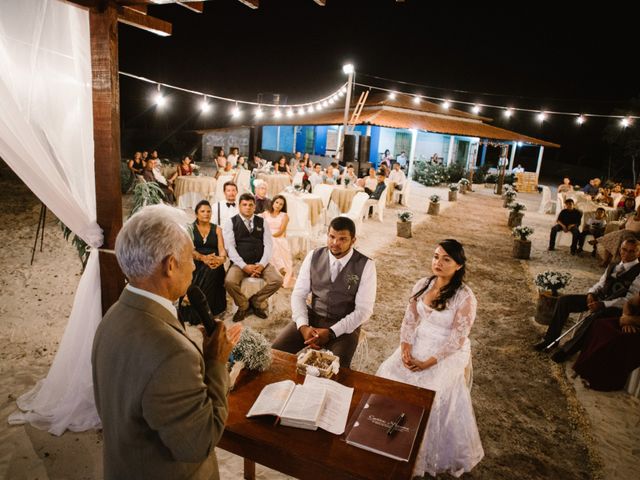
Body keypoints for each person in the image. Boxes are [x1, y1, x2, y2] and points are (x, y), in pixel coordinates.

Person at [92, 204, 241, 479]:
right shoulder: (172, 354)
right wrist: (216, 362)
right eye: (189, 257)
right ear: (170, 265)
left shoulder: (111, 317)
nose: (194, 265)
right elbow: (199, 443)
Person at [376, 239, 483, 478]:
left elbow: (458, 338)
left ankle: (415, 452)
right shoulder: (423, 284)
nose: (439, 263)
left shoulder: (465, 297)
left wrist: (428, 362)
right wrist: (405, 347)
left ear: (458, 266)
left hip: (447, 352)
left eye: (446, 259)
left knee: (427, 391)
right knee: (389, 372)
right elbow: (410, 320)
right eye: (436, 257)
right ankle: (387, 434)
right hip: (420, 340)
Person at [272, 216, 376, 368]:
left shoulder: (366, 265)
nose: (335, 243)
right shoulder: (313, 256)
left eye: (342, 239)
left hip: (344, 325)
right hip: (312, 316)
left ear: (353, 241)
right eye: (332, 237)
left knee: (337, 370)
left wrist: (332, 332)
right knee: (274, 354)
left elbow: (364, 310)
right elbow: (299, 294)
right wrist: (303, 326)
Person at [534, 238, 640, 353]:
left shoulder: (638, 272)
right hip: (599, 299)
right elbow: (601, 283)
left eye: (632, 251)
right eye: (624, 249)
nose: (627, 253)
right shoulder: (614, 264)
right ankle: (550, 340)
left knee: (594, 317)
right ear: (620, 249)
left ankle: (566, 350)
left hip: (616, 308)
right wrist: (591, 293)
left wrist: (603, 304)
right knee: (564, 301)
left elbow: (629, 300)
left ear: (638, 252)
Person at [223, 193, 283, 322]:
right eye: (244, 205)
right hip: (240, 263)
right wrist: (244, 266)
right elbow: (230, 248)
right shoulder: (230, 222)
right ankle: (244, 305)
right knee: (229, 281)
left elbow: (268, 245)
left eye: (251, 205)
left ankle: (256, 300)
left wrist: (261, 265)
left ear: (255, 206)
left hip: (261, 261)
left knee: (277, 280)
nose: (248, 207)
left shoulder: (262, 222)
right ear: (239, 206)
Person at [572, 293, 640, 391]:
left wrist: (630, 320)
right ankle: (585, 368)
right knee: (600, 325)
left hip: (635, 324)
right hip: (630, 321)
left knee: (617, 338)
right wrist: (626, 316)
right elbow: (629, 303)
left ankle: (601, 380)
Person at [184, 200, 227, 321]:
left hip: (214, 262)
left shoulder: (217, 229)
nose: (206, 214)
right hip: (195, 261)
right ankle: (203, 309)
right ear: (196, 213)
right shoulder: (190, 228)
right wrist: (203, 258)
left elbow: (221, 249)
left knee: (212, 268)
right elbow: (189, 250)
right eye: (202, 211)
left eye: (209, 211)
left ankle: (191, 298)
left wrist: (221, 259)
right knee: (207, 269)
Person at [261, 195, 295, 288]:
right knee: (270, 244)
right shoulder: (265, 214)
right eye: (276, 202)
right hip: (265, 236)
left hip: (278, 237)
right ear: (273, 202)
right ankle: (277, 269)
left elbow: (281, 231)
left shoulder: (284, 216)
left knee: (273, 244)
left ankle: (281, 270)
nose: (278, 205)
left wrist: (270, 236)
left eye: (281, 204)